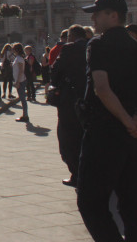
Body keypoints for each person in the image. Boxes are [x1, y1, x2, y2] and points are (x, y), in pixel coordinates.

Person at [76, 0, 137, 242]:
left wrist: (126, 121)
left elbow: (102, 88)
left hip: (104, 134)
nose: (93, 18)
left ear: (113, 16)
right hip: (135, 140)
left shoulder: (98, 44)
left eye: (97, 14)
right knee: (134, 210)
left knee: (91, 204)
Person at [50, 24, 88, 187]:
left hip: (70, 101)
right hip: (92, 100)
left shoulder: (68, 49)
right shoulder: (94, 46)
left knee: (68, 139)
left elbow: (55, 72)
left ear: (71, 36)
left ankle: (77, 174)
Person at [12, 43, 29, 122]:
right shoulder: (18, 58)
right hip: (21, 80)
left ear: (16, 50)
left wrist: (17, 82)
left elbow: (21, 71)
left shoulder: (19, 59)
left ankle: (25, 116)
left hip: (21, 81)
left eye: (13, 49)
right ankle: (25, 115)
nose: (13, 50)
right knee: (22, 99)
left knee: (22, 99)